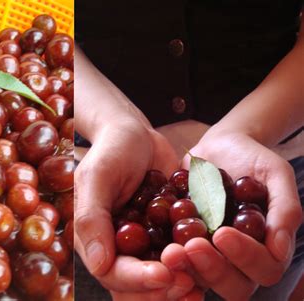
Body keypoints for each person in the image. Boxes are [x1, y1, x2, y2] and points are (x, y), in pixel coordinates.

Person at [74, 1, 304, 300]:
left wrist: (249, 130)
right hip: (101, 173)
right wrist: (111, 123)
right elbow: (41, 16)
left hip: (271, 173)